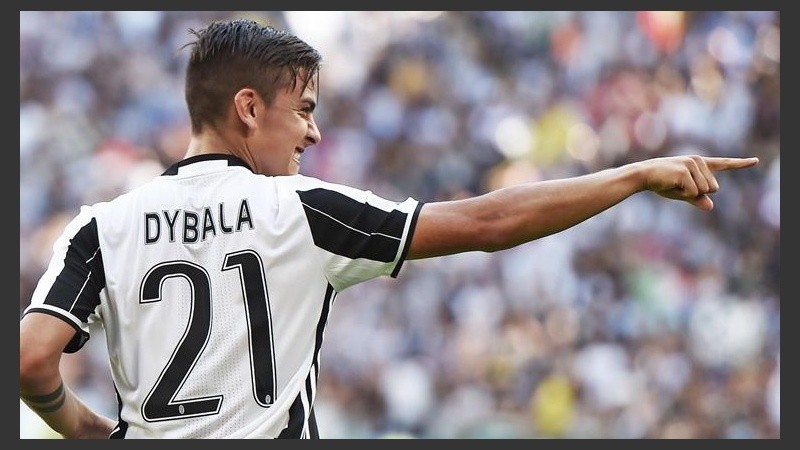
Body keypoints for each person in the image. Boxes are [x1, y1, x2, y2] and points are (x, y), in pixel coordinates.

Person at [18, 18, 760, 439]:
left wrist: (86, 430)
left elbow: (28, 359)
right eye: (304, 110)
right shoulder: (298, 210)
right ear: (248, 108)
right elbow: (488, 222)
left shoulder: (102, 227)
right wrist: (631, 176)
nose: (312, 134)